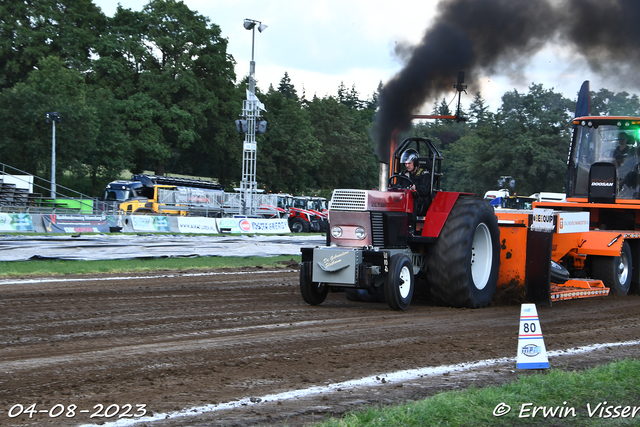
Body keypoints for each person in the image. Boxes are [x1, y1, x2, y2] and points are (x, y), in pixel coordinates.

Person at [400, 148, 432, 217]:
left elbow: (425, 190)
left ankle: (411, 225)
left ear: (415, 163)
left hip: (420, 199)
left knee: (411, 202)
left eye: (409, 163)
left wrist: (415, 188)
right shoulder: (403, 174)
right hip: (405, 197)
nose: (407, 166)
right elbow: (399, 186)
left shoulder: (424, 174)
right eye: (405, 163)